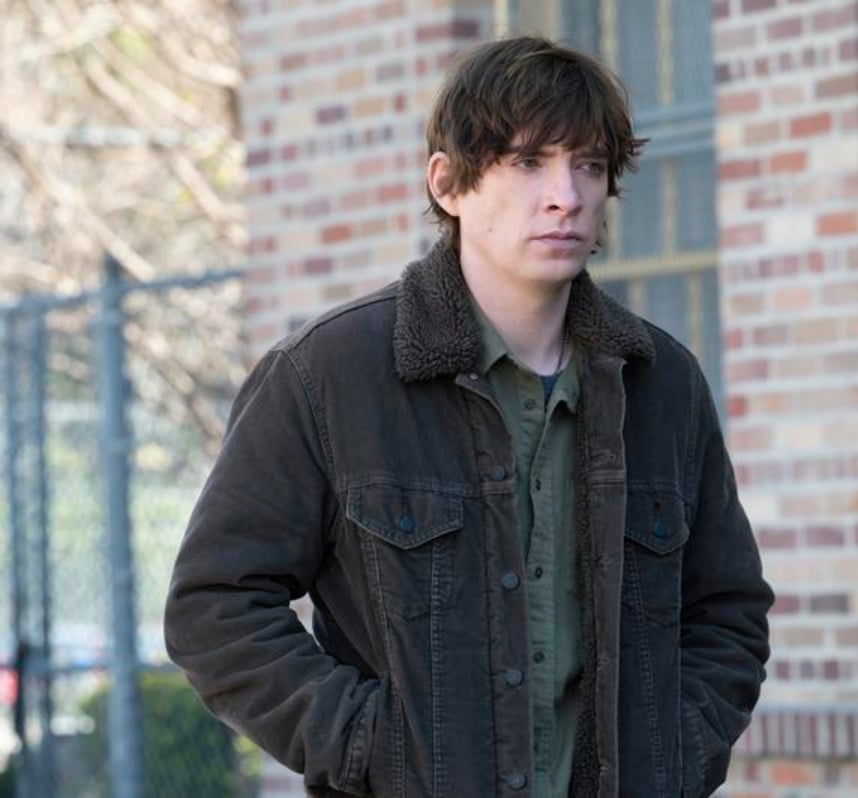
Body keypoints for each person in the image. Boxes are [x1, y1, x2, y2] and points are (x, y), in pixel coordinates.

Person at [165, 35, 772, 797]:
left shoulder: (664, 384)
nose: (566, 194)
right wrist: (376, 749)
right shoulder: (328, 375)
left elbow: (729, 614)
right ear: (448, 184)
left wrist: (672, 757)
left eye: (587, 165)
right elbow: (213, 609)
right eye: (527, 162)